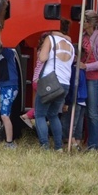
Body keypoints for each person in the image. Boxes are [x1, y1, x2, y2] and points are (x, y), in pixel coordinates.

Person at [34, 21, 75, 151]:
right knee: (53, 115)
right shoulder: (70, 44)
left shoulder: (50, 39)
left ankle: (44, 146)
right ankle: (58, 147)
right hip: (65, 83)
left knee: (40, 114)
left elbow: (42, 58)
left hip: (50, 82)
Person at [79, 10, 98, 151]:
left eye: (83, 21)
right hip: (83, 78)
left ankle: (94, 145)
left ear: (89, 23)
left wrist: (86, 66)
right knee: (84, 111)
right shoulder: (82, 36)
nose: (80, 23)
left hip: (94, 79)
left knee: (92, 112)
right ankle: (87, 141)